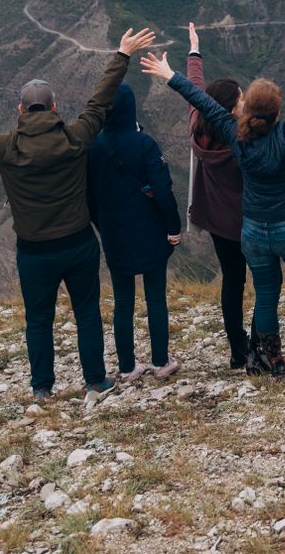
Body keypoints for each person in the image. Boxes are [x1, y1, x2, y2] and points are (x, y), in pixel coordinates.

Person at [0, 27, 158, 402]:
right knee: (87, 313)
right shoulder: (76, 137)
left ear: (20, 111)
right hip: (78, 243)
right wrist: (122, 55)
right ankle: (96, 381)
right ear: (54, 107)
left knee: (38, 320)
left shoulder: (4, 146)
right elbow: (100, 100)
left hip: (34, 252)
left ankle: (42, 388)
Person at [142, 30, 285, 377]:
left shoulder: (236, 137)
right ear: (277, 111)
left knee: (265, 293)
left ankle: (271, 362)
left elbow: (202, 102)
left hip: (252, 229)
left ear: (247, 110)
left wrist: (171, 75)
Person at [87, 83, 183, 382]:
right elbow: (163, 191)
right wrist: (173, 227)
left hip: (114, 233)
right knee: (155, 297)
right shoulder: (145, 144)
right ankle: (161, 361)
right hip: (149, 231)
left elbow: (89, 196)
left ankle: (127, 366)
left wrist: (102, 225)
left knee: (123, 301)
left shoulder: (94, 146)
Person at [185, 22, 251, 370]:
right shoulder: (242, 141)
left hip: (218, 224)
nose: (245, 102)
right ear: (229, 108)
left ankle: (238, 350)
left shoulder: (198, 127)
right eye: (240, 99)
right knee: (264, 280)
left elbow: (195, 90)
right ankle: (263, 343)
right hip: (248, 221)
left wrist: (194, 52)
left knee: (232, 282)